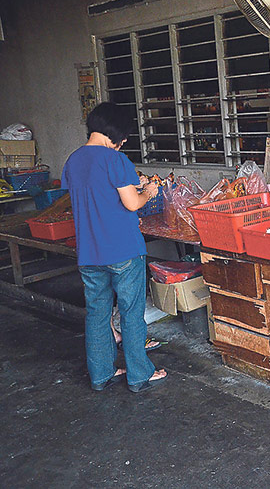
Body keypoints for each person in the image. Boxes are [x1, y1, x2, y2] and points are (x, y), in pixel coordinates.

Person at [61, 102, 167, 393]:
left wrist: (134, 185)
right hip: (123, 250)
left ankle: (101, 374)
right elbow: (131, 203)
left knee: (97, 314)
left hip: (89, 253)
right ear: (117, 134)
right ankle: (138, 375)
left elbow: (96, 195)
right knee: (131, 313)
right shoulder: (115, 160)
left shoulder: (73, 161)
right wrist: (148, 191)